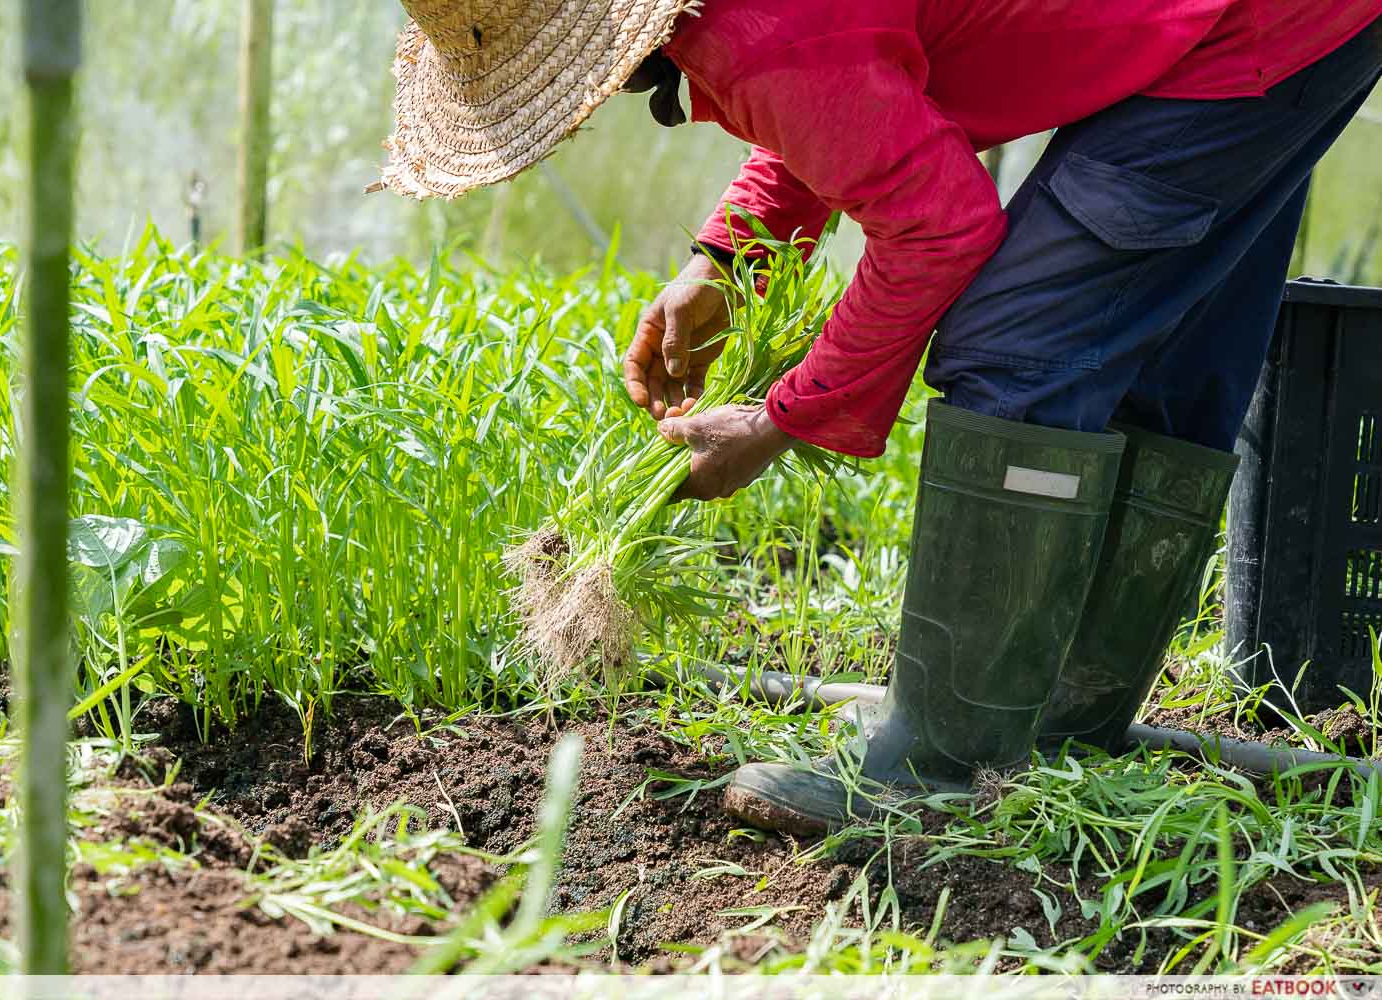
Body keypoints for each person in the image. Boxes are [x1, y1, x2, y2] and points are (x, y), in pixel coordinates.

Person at [376, 0, 1382, 835]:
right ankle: (1062, 719)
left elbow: (938, 225)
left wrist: (778, 419)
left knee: (1019, 344)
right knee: (1159, 337)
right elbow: (859, 86)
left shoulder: (753, 31)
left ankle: (941, 767)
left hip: (1245, 24)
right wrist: (725, 259)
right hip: (1294, 20)